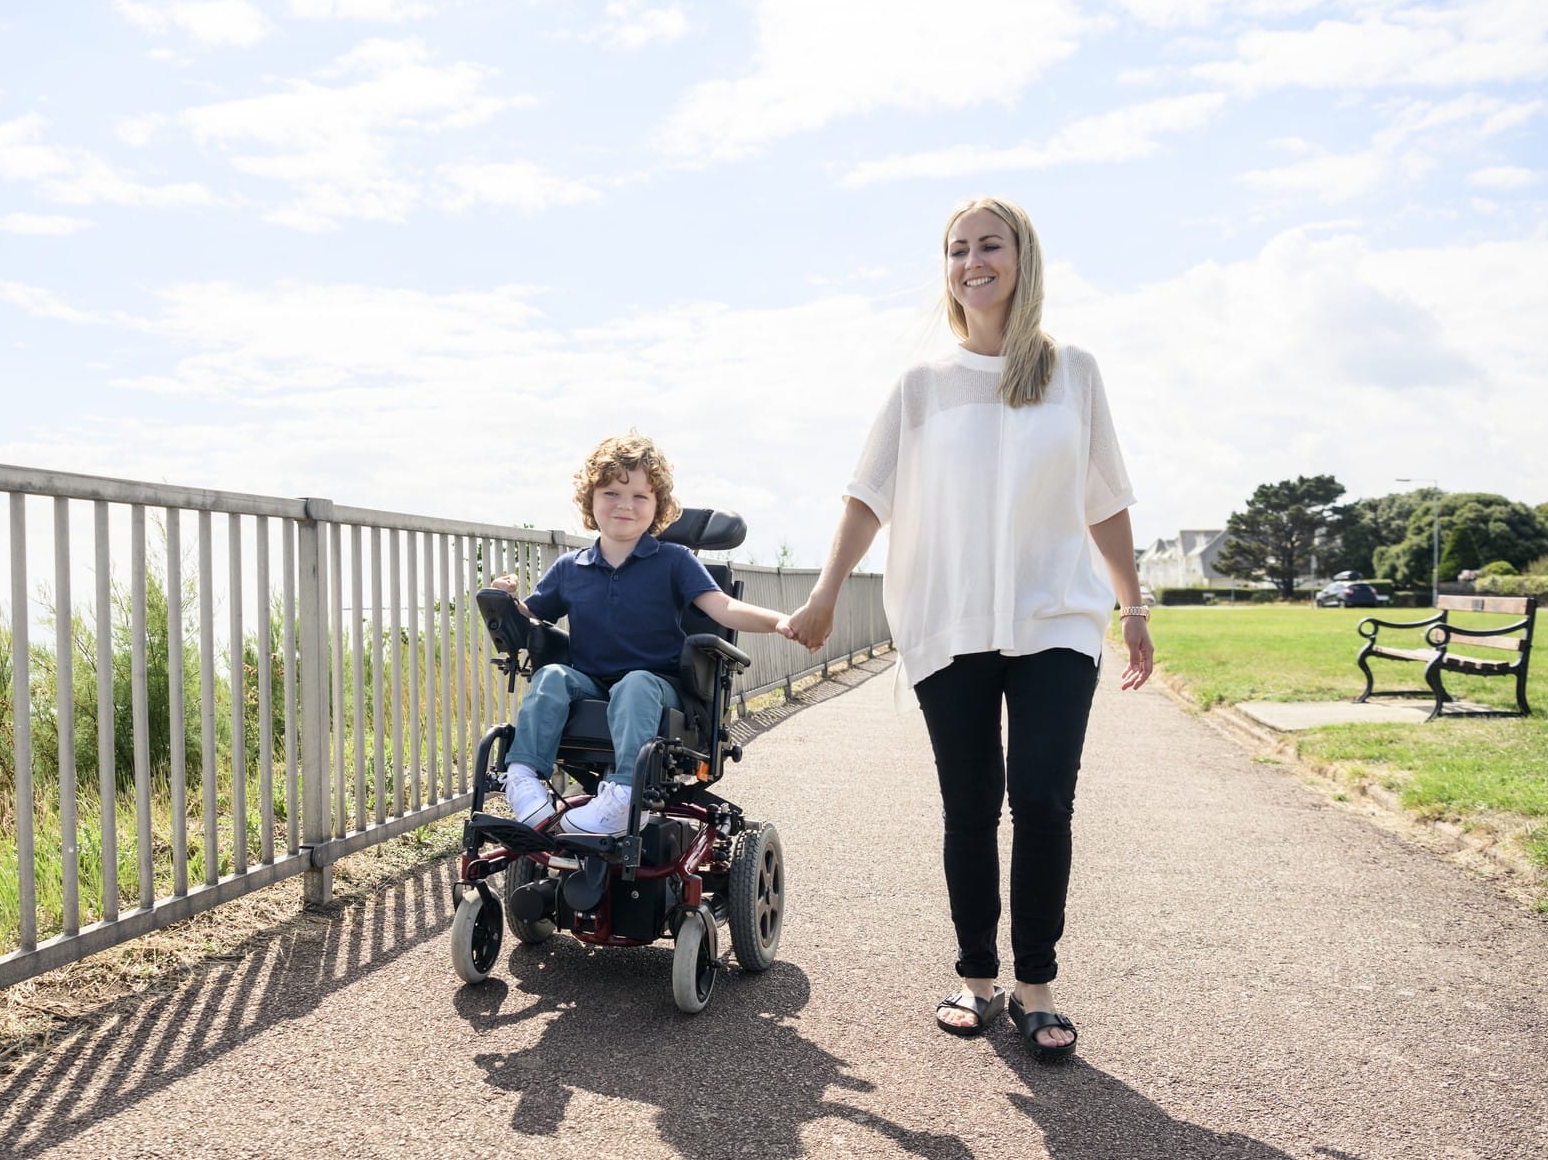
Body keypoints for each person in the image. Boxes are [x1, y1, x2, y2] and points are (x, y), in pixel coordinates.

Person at [780, 196, 1153, 1063]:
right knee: (971, 804)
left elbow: (1107, 500)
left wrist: (1132, 605)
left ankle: (1037, 986)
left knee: (1045, 799)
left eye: (990, 245)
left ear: (1023, 259)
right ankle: (978, 979)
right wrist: (827, 593)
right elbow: (868, 495)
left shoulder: (1074, 373)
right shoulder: (921, 386)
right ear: (946, 268)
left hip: (1054, 616)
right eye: (958, 249)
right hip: (949, 621)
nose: (973, 261)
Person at [493, 432, 788, 837]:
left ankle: (624, 793)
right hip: (592, 684)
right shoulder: (570, 567)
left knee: (634, 685)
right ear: (590, 500)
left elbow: (723, 609)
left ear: (658, 507)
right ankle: (524, 777)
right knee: (550, 677)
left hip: (659, 686)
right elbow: (529, 617)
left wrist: (780, 622)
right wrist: (505, 599)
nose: (625, 506)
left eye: (639, 497)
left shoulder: (673, 561)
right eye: (611, 493)